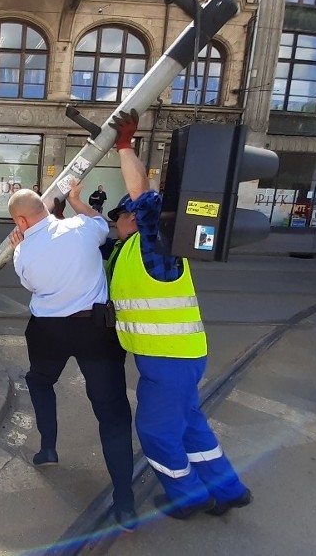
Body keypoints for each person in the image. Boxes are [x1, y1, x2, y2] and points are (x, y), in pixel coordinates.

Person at [104, 108, 252, 520]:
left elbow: (146, 198)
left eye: (119, 217)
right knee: (189, 426)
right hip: (177, 356)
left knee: (156, 432)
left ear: (133, 218)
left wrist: (124, 147)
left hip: (168, 361)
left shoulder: (157, 247)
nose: (114, 224)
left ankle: (188, 498)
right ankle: (228, 490)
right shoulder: (137, 249)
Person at [7, 187, 137, 532]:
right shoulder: (82, 227)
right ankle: (124, 502)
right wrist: (79, 199)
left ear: (20, 221)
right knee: (112, 413)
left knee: (40, 380)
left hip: (48, 331)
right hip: (95, 330)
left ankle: (48, 447)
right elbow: (101, 225)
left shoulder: (24, 253)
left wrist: (20, 248)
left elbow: (32, 284)